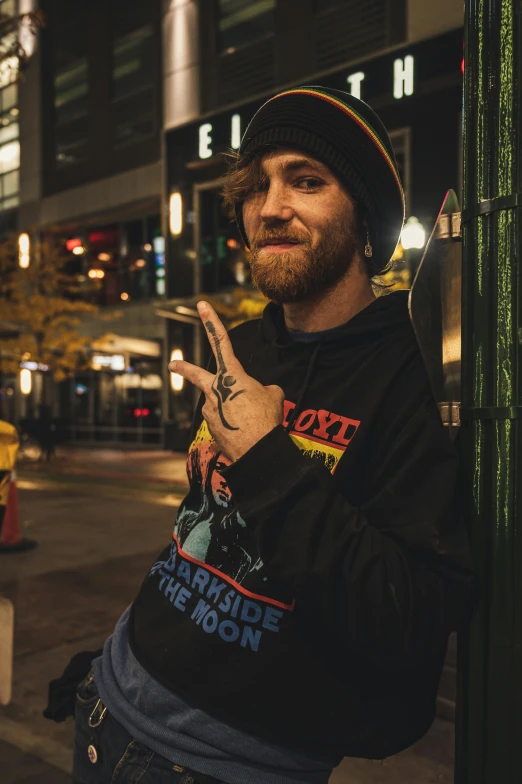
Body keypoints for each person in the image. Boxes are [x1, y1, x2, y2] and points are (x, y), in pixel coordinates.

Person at [71, 86, 475, 784]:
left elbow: (410, 619)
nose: (271, 207)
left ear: (366, 215)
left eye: (306, 181)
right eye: (256, 187)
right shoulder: (247, 346)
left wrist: (266, 456)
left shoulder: (415, 376)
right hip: (105, 705)